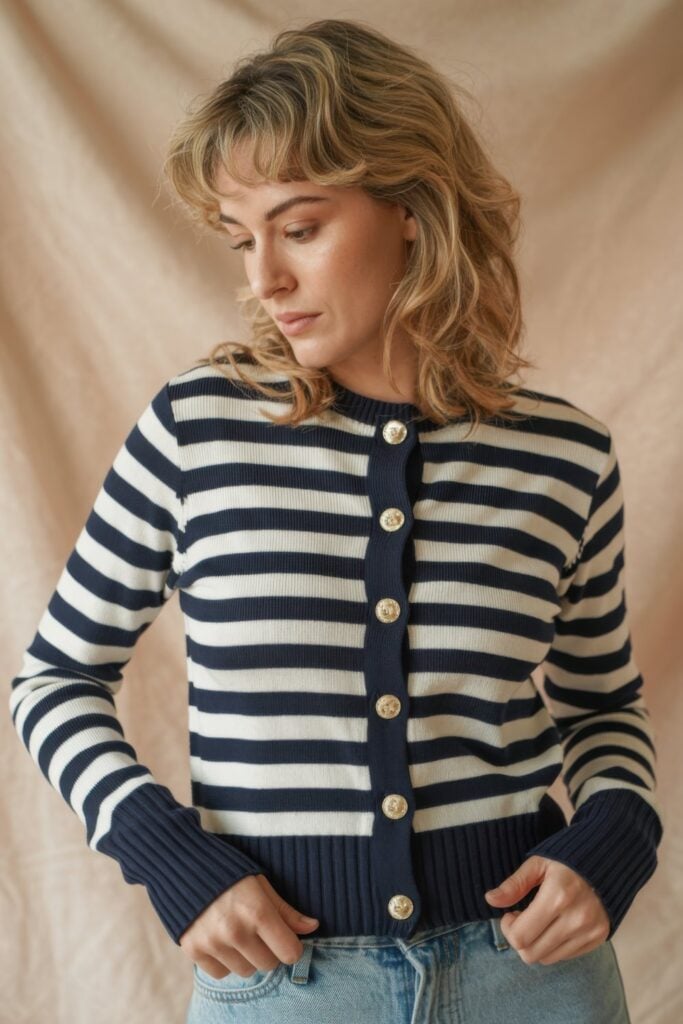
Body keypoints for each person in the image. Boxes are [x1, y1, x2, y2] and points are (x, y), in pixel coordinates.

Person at [9, 17, 662, 1024]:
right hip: (285, 986)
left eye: (299, 228)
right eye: (242, 238)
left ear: (409, 205)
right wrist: (166, 850)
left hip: (530, 978)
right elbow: (54, 679)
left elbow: (599, 707)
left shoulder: (560, 456)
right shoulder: (199, 431)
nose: (261, 281)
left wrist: (614, 832)